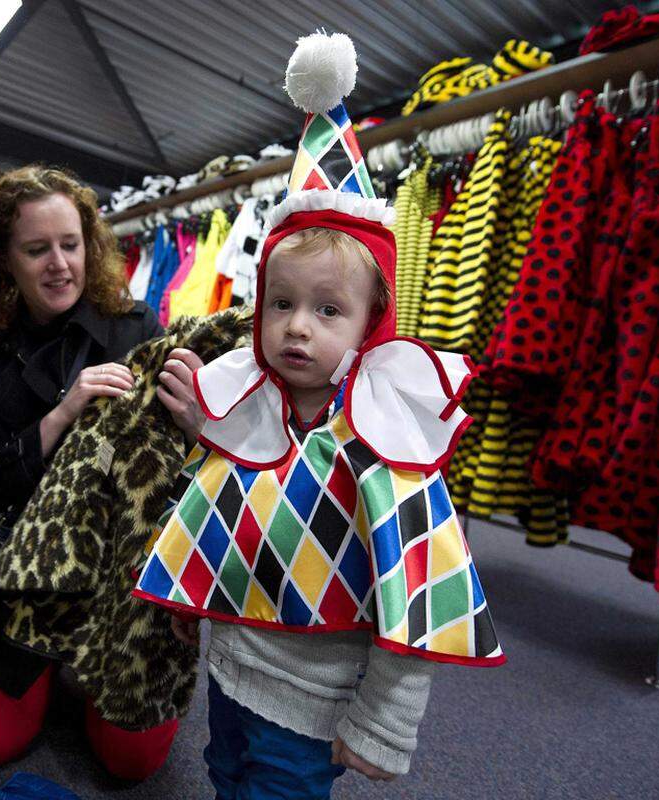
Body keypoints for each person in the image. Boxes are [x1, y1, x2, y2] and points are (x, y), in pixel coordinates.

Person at [133, 33, 504, 799]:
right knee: (222, 773)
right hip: (232, 672)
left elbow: (418, 584)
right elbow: (226, 507)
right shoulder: (249, 409)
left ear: (372, 322)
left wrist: (382, 723)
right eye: (281, 304)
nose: (297, 326)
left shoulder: (386, 440)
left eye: (328, 309)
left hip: (310, 705)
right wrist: (193, 601)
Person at [0, 165, 204, 779]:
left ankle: (87, 669)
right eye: (37, 250)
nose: (59, 263)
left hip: (124, 572)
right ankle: (56, 667)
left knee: (130, 763)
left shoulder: (136, 326)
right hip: (30, 575)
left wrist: (200, 426)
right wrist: (63, 412)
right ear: (4, 259)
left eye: (71, 244)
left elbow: (179, 468)